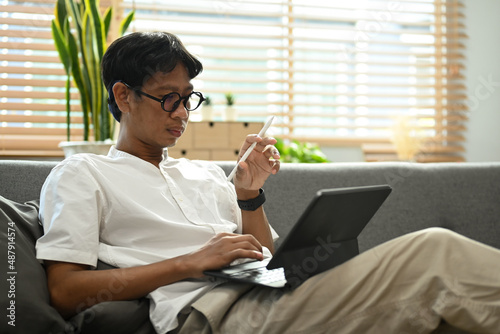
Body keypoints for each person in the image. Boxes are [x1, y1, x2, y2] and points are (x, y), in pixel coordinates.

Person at [36, 32, 500, 334]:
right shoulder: (82, 174)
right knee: (434, 251)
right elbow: (65, 290)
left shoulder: (204, 174)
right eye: (168, 98)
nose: (181, 113)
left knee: (444, 312)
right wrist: (190, 262)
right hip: (207, 316)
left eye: (188, 99)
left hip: (264, 298)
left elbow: (268, 260)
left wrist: (248, 194)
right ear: (123, 95)